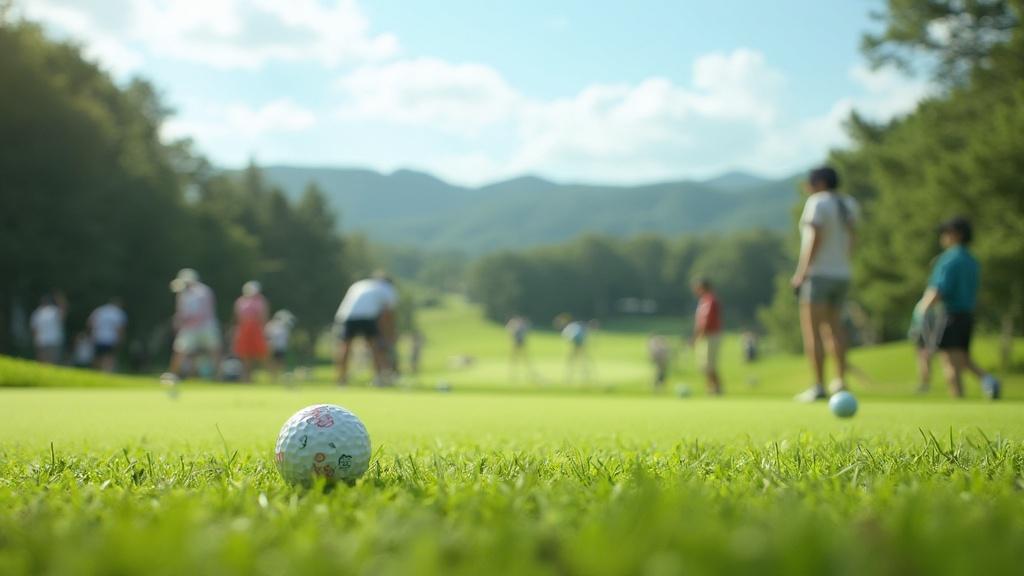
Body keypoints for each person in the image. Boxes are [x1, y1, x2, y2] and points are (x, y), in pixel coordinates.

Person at [791, 167, 859, 402]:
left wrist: (801, 273)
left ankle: (819, 385)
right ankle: (840, 381)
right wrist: (842, 262)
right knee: (835, 329)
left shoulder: (817, 202)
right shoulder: (848, 203)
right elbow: (853, 239)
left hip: (818, 274)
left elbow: (814, 238)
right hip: (842, 274)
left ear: (819, 182)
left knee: (813, 331)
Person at [915, 217, 1001, 399]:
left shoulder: (949, 259)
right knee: (961, 357)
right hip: (967, 314)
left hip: (950, 314)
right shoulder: (972, 260)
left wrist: (922, 310)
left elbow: (938, 288)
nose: (943, 237)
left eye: (946, 233)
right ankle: (989, 380)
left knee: (950, 360)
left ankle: (958, 397)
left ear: (957, 235)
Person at [334, 273, 398, 386]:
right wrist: (390, 334)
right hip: (367, 316)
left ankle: (341, 379)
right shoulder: (387, 288)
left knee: (345, 346)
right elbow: (387, 314)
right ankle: (379, 378)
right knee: (374, 347)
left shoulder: (359, 284)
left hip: (347, 316)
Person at [164, 268, 221, 382]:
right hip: (189, 328)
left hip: (206, 326)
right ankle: (173, 375)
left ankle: (218, 376)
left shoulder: (203, 291)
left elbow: (202, 312)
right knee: (179, 350)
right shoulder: (182, 294)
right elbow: (180, 312)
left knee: (214, 350)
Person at [232, 281, 269, 382]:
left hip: (257, 330)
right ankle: (247, 378)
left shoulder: (261, 301)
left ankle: (271, 377)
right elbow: (238, 318)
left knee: (262, 354)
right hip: (245, 330)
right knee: (246, 355)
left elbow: (263, 316)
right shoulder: (240, 301)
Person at [692, 278, 723, 396]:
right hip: (706, 336)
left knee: (709, 365)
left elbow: (705, 321)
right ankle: (711, 388)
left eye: (697, 288)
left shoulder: (709, 300)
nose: (695, 290)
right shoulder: (704, 300)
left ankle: (716, 389)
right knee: (704, 365)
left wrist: (697, 337)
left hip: (711, 335)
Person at [88, 298, 127, 372]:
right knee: (109, 357)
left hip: (98, 336)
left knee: (97, 357)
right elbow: (120, 328)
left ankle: (95, 372)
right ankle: (107, 372)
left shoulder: (100, 310)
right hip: (111, 338)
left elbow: (90, 322)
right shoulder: (118, 313)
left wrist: (91, 334)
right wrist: (121, 339)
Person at [30, 293, 66, 364]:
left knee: (42, 363)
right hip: (54, 341)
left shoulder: (37, 313)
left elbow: (34, 329)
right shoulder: (55, 311)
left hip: (41, 341)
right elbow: (63, 314)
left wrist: (35, 341)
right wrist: (60, 300)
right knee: (53, 363)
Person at [558, 315, 592, 383]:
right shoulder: (573, 326)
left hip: (576, 345)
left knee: (573, 361)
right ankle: (584, 376)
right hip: (580, 344)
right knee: (581, 361)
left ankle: (570, 377)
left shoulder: (570, 327)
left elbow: (573, 337)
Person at [265, 309, 295, 382]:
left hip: (281, 348)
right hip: (272, 347)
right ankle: (273, 378)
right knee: (273, 363)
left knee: (280, 364)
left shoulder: (284, 327)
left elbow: (286, 339)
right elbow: (268, 337)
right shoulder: (271, 325)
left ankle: (278, 378)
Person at [505, 315, 538, 382]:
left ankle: (527, 373)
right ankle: (513, 373)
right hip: (516, 343)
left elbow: (527, 331)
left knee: (524, 358)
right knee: (515, 358)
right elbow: (509, 331)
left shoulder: (522, 326)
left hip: (521, 343)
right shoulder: (515, 326)